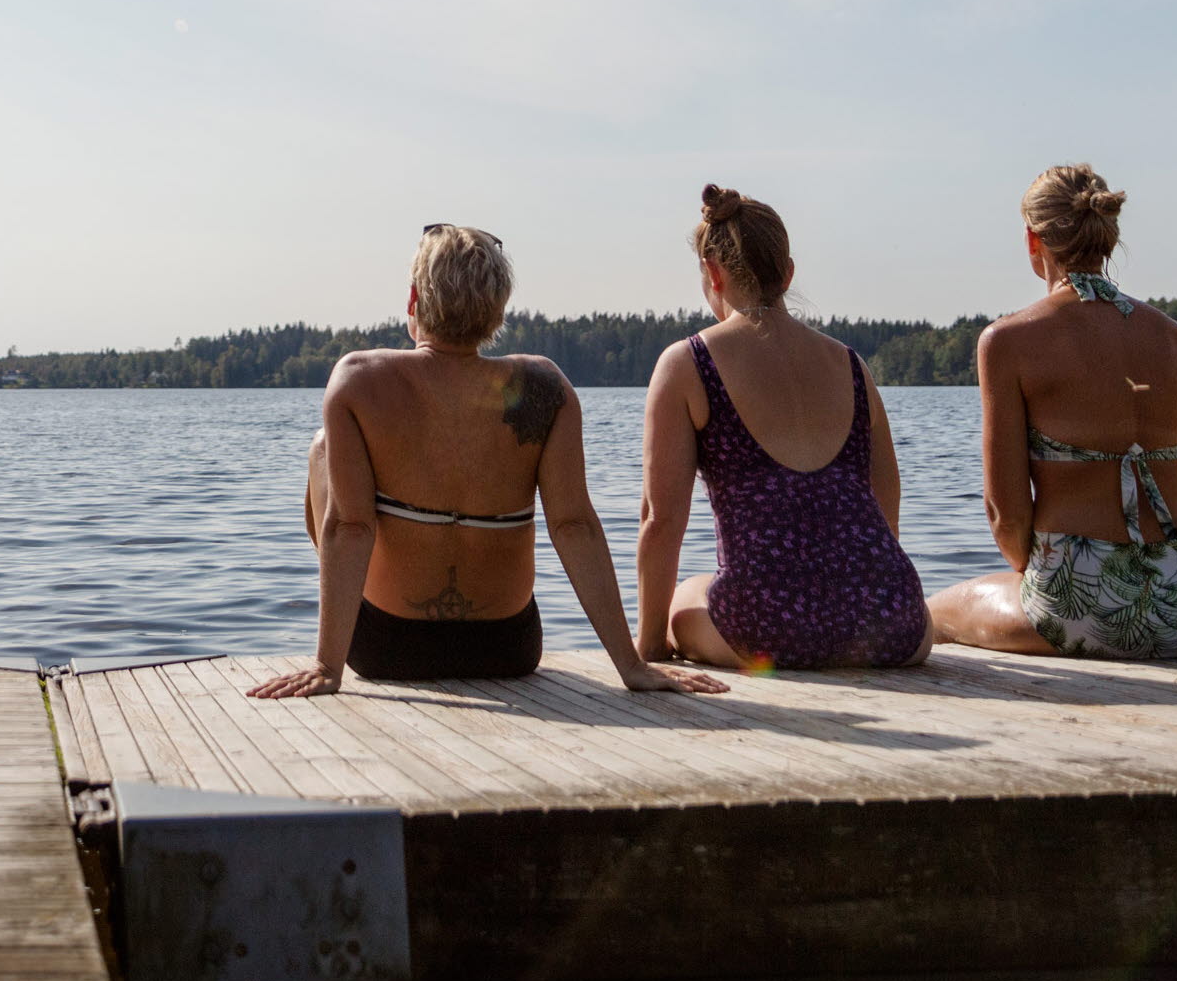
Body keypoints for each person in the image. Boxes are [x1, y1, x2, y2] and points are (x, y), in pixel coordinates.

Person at [248, 224, 728, 700]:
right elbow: (574, 526)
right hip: (508, 646)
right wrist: (630, 664)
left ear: (415, 301)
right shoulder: (545, 386)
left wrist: (328, 667)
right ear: (498, 308)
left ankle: (350, 616)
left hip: (384, 646)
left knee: (322, 448)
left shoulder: (358, 379)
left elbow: (348, 527)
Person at [927, 165, 1177, 659]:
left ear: (1032, 238)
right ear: (1107, 234)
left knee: (934, 610)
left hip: (1078, 611)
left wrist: (1056, 579)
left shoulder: (1008, 341)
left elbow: (1005, 514)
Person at [640, 185, 930, 671]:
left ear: (713, 273)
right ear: (788, 272)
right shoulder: (854, 366)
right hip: (894, 626)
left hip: (769, 633)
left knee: (683, 599)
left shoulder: (687, 363)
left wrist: (649, 650)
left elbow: (661, 521)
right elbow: (887, 514)